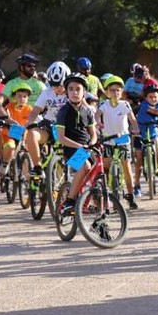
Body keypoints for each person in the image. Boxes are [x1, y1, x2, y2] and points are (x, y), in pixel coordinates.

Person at [54, 73, 97, 218]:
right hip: (71, 148)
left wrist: (91, 143)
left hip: (87, 147)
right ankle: (70, 201)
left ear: (84, 92)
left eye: (78, 89)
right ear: (66, 92)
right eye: (71, 89)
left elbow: (93, 133)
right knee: (85, 166)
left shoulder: (88, 111)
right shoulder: (64, 112)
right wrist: (80, 146)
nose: (74, 92)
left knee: (102, 167)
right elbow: (61, 138)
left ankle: (96, 200)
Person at [96, 75, 139, 210]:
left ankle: (130, 195)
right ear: (107, 92)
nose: (115, 93)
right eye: (112, 90)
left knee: (126, 167)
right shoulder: (103, 105)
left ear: (122, 92)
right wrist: (98, 122)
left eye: (118, 90)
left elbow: (132, 119)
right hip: (108, 139)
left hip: (123, 139)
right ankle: (104, 194)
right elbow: (97, 115)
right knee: (106, 166)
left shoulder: (125, 104)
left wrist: (136, 129)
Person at [24, 61, 71, 176]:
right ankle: (37, 167)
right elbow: (35, 110)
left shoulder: (72, 92)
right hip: (50, 126)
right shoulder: (46, 93)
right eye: (54, 85)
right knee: (31, 134)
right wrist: (29, 122)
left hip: (68, 127)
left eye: (61, 85)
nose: (58, 88)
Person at [0, 81, 39, 184]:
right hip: (10, 134)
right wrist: (6, 120)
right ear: (14, 97)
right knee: (10, 147)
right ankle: (5, 163)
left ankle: (27, 179)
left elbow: (36, 118)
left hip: (23, 135)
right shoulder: (9, 107)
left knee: (29, 154)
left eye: (25, 96)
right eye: (19, 96)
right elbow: (5, 116)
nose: (22, 99)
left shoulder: (29, 108)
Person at [134, 84, 158, 196]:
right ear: (145, 98)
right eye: (150, 97)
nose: (153, 99)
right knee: (138, 160)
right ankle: (137, 185)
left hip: (153, 135)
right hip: (140, 135)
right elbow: (153, 111)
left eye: (155, 97)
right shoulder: (144, 106)